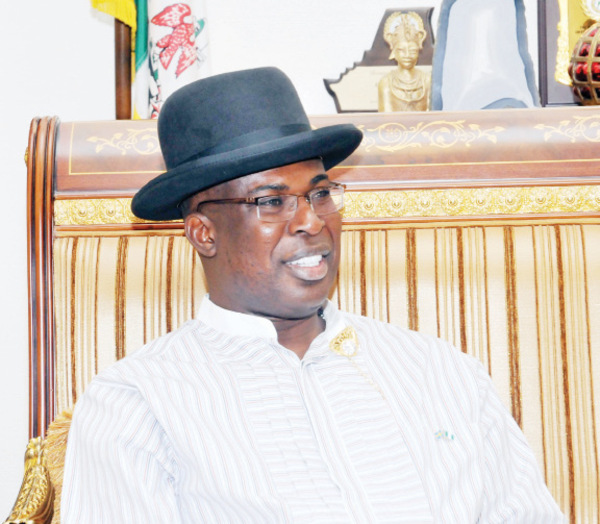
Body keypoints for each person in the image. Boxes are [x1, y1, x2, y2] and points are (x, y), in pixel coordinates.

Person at [61, 67, 565, 522]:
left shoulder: (442, 372)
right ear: (203, 233)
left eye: (321, 194)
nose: (311, 221)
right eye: (271, 201)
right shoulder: (135, 404)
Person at [378, 11, 431, 112]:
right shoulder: (386, 83)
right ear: (394, 51)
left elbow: (431, 115)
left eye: (412, 50)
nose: (407, 55)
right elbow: (386, 118)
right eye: (401, 50)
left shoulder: (427, 81)